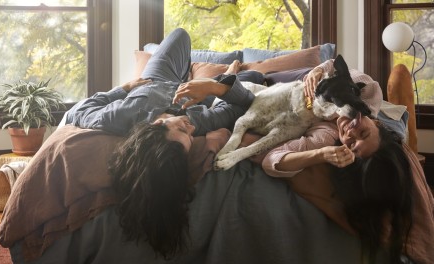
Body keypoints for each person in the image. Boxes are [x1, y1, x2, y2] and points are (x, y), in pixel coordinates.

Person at [62, 28, 264, 259]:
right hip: (201, 95)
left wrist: (124, 89)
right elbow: (243, 104)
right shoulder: (198, 121)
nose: (189, 129)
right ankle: (221, 73)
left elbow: (79, 110)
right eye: (190, 137)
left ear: (157, 126)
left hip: (156, 80)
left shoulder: (121, 115)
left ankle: (201, 73)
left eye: (180, 129)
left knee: (180, 35)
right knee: (254, 78)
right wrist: (214, 87)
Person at [260, 59, 415, 264]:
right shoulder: (370, 95)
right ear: (376, 122)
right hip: (303, 75)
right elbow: (337, 64)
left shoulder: (325, 137)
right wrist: (317, 70)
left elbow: (271, 161)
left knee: (252, 79)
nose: (350, 131)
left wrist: (321, 154)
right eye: (363, 132)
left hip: (278, 91)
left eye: (351, 143)